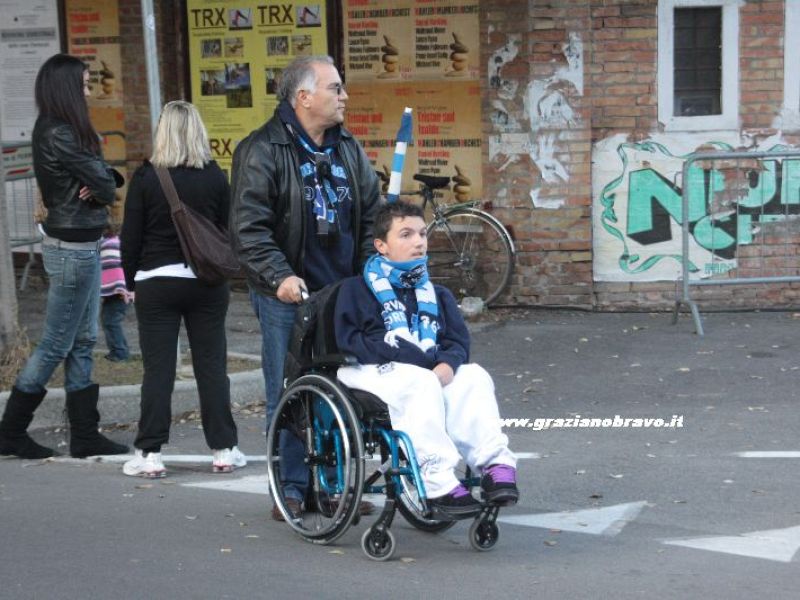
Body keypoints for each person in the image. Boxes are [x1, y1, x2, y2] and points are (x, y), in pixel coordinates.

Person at [230, 55, 380, 520]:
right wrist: (280, 277)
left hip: (339, 292)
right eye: (335, 88)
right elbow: (248, 229)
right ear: (303, 98)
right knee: (289, 389)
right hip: (286, 293)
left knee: (339, 389)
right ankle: (290, 487)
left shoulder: (347, 148)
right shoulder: (262, 150)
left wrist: (370, 276)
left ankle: (330, 485)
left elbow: (372, 212)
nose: (344, 96)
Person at [334, 201, 519, 517]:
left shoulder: (438, 294)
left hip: (426, 371)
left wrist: (447, 364)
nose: (418, 241)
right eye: (405, 234)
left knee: (473, 376)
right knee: (418, 382)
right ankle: (437, 484)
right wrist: (413, 359)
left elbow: (457, 341)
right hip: (367, 369)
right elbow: (351, 341)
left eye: (421, 233)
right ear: (382, 245)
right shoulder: (355, 290)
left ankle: (494, 466)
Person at [0, 54, 127, 460]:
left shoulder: (67, 130)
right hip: (72, 246)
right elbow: (105, 186)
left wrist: (103, 180)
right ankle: (11, 431)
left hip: (83, 242)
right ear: (67, 86)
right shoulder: (59, 132)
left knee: (85, 340)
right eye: (85, 82)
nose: (90, 89)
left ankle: (85, 435)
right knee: (57, 342)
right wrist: (103, 182)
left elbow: (106, 179)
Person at [120, 101, 245, 478]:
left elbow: (131, 238)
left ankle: (151, 454)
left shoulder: (145, 177)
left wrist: (130, 282)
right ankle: (224, 449)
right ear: (198, 131)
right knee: (211, 367)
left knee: (159, 370)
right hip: (206, 283)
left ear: (163, 132)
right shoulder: (214, 176)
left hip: (155, 282)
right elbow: (227, 230)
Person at [99, 224, 133, 361]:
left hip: (120, 292)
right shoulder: (115, 242)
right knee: (109, 320)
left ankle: (120, 353)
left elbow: (114, 268)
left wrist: (118, 286)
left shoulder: (108, 245)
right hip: (120, 291)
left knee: (111, 321)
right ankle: (119, 350)